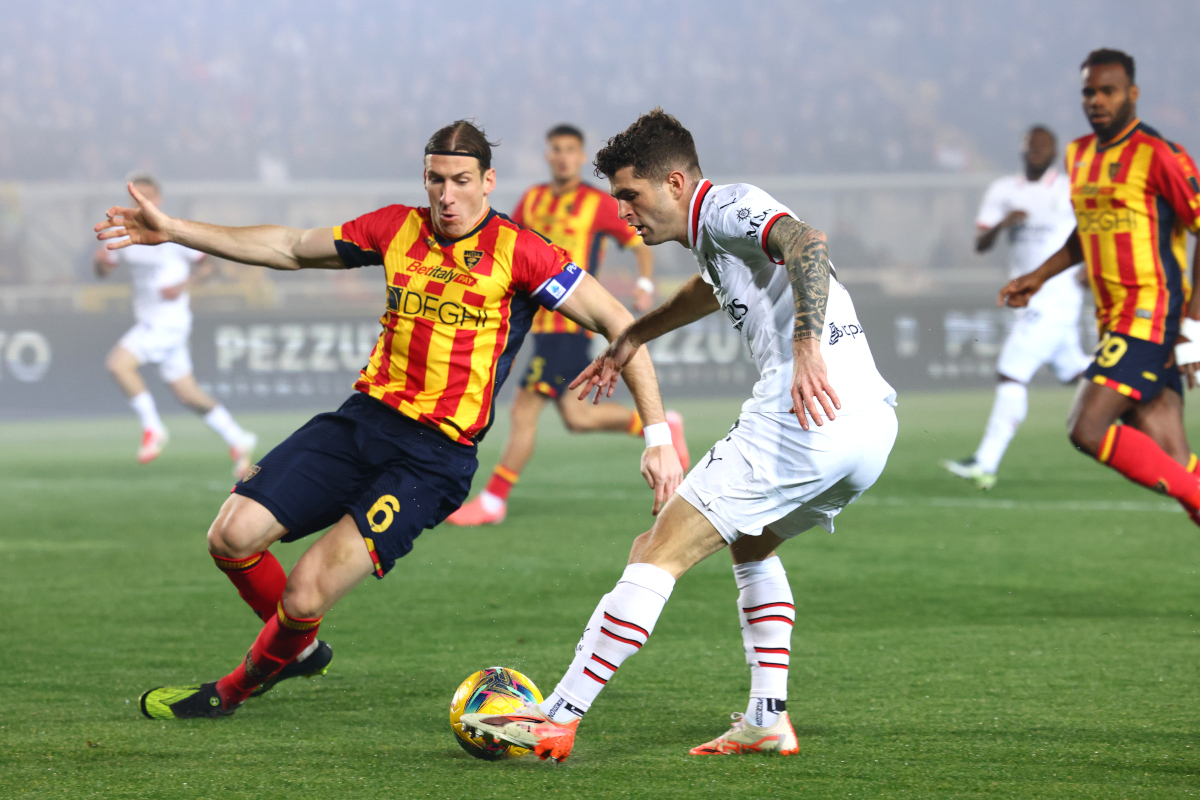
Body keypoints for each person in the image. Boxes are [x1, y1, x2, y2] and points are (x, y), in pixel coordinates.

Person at [95, 121, 683, 720]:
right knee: (231, 536)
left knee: (304, 593)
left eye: (460, 181)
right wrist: (173, 231)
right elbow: (290, 247)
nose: (446, 195)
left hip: (432, 459)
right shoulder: (397, 227)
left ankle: (231, 691)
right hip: (361, 422)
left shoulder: (522, 251)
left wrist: (657, 435)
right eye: (435, 180)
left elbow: (618, 323)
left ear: (488, 182)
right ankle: (297, 650)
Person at [461, 109, 897, 761]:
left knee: (653, 550)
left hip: (802, 413)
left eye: (631, 197)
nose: (626, 214)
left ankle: (556, 716)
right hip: (867, 426)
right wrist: (635, 332)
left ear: (673, 182)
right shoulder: (714, 237)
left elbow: (807, 243)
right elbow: (710, 288)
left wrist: (805, 343)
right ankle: (766, 718)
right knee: (751, 546)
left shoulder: (727, 206)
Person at [447, 123, 687, 526]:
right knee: (578, 419)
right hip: (537, 324)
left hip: (570, 324)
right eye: (555, 148)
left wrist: (644, 284)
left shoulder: (597, 203)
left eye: (570, 150)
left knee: (524, 410)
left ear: (579, 157)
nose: (562, 156)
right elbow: (506, 240)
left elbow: (635, 243)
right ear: (548, 154)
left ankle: (493, 501)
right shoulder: (534, 198)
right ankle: (663, 424)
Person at [1001, 49, 1200, 522]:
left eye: (1107, 91)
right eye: (1088, 91)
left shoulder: (1159, 155)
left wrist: (1193, 319)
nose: (1096, 100)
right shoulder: (1080, 154)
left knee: (1086, 428)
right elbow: (1087, 232)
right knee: (1178, 467)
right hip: (1114, 322)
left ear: (1132, 94)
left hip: (1151, 317)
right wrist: (1039, 276)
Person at [942, 127, 1089, 489]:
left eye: (1043, 147)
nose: (1036, 152)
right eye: (1031, 147)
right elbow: (980, 244)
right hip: (1027, 297)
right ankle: (1149, 402)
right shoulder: (1003, 192)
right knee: (1080, 376)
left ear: (1054, 152)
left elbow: (1091, 231)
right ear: (1022, 150)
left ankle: (984, 464)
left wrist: (1090, 268)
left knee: (1011, 372)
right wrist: (1003, 224)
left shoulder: (1070, 188)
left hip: (1057, 296)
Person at [93, 173, 257, 476]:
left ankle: (153, 428)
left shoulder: (172, 232)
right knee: (188, 394)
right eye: (136, 195)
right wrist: (100, 263)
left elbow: (210, 267)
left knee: (118, 364)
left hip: (169, 321)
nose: (142, 200)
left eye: (149, 195)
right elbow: (102, 270)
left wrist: (183, 284)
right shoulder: (126, 233)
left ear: (159, 199)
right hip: (151, 320)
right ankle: (239, 438)